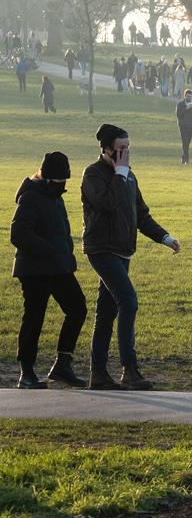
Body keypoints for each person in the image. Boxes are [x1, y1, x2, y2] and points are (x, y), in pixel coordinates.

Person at [83, 125, 181, 390]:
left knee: (106, 311)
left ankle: (99, 374)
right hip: (102, 250)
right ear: (105, 149)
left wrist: (165, 237)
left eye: (128, 149)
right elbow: (106, 204)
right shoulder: (93, 174)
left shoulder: (129, 177)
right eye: (120, 150)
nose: (125, 154)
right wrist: (120, 174)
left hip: (123, 251)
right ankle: (130, 369)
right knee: (128, 302)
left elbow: (141, 215)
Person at [10, 152, 88, 389]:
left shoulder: (54, 195)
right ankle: (27, 372)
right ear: (46, 177)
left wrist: (65, 253)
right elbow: (19, 234)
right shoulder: (31, 197)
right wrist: (51, 250)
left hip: (57, 267)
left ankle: (62, 364)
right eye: (59, 181)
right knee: (34, 317)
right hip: (34, 270)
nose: (62, 186)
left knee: (77, 308)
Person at [175, 90, 192, 164]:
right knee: (185, 142)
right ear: (184, 96)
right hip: (183, 127)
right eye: (187, 96)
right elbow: (178, 115)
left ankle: (183, 157)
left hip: (191, 128)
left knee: (187, 143)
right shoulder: (180, 104)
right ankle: (187, 159)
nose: (189, 97)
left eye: (190, 96)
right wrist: (186, 109)